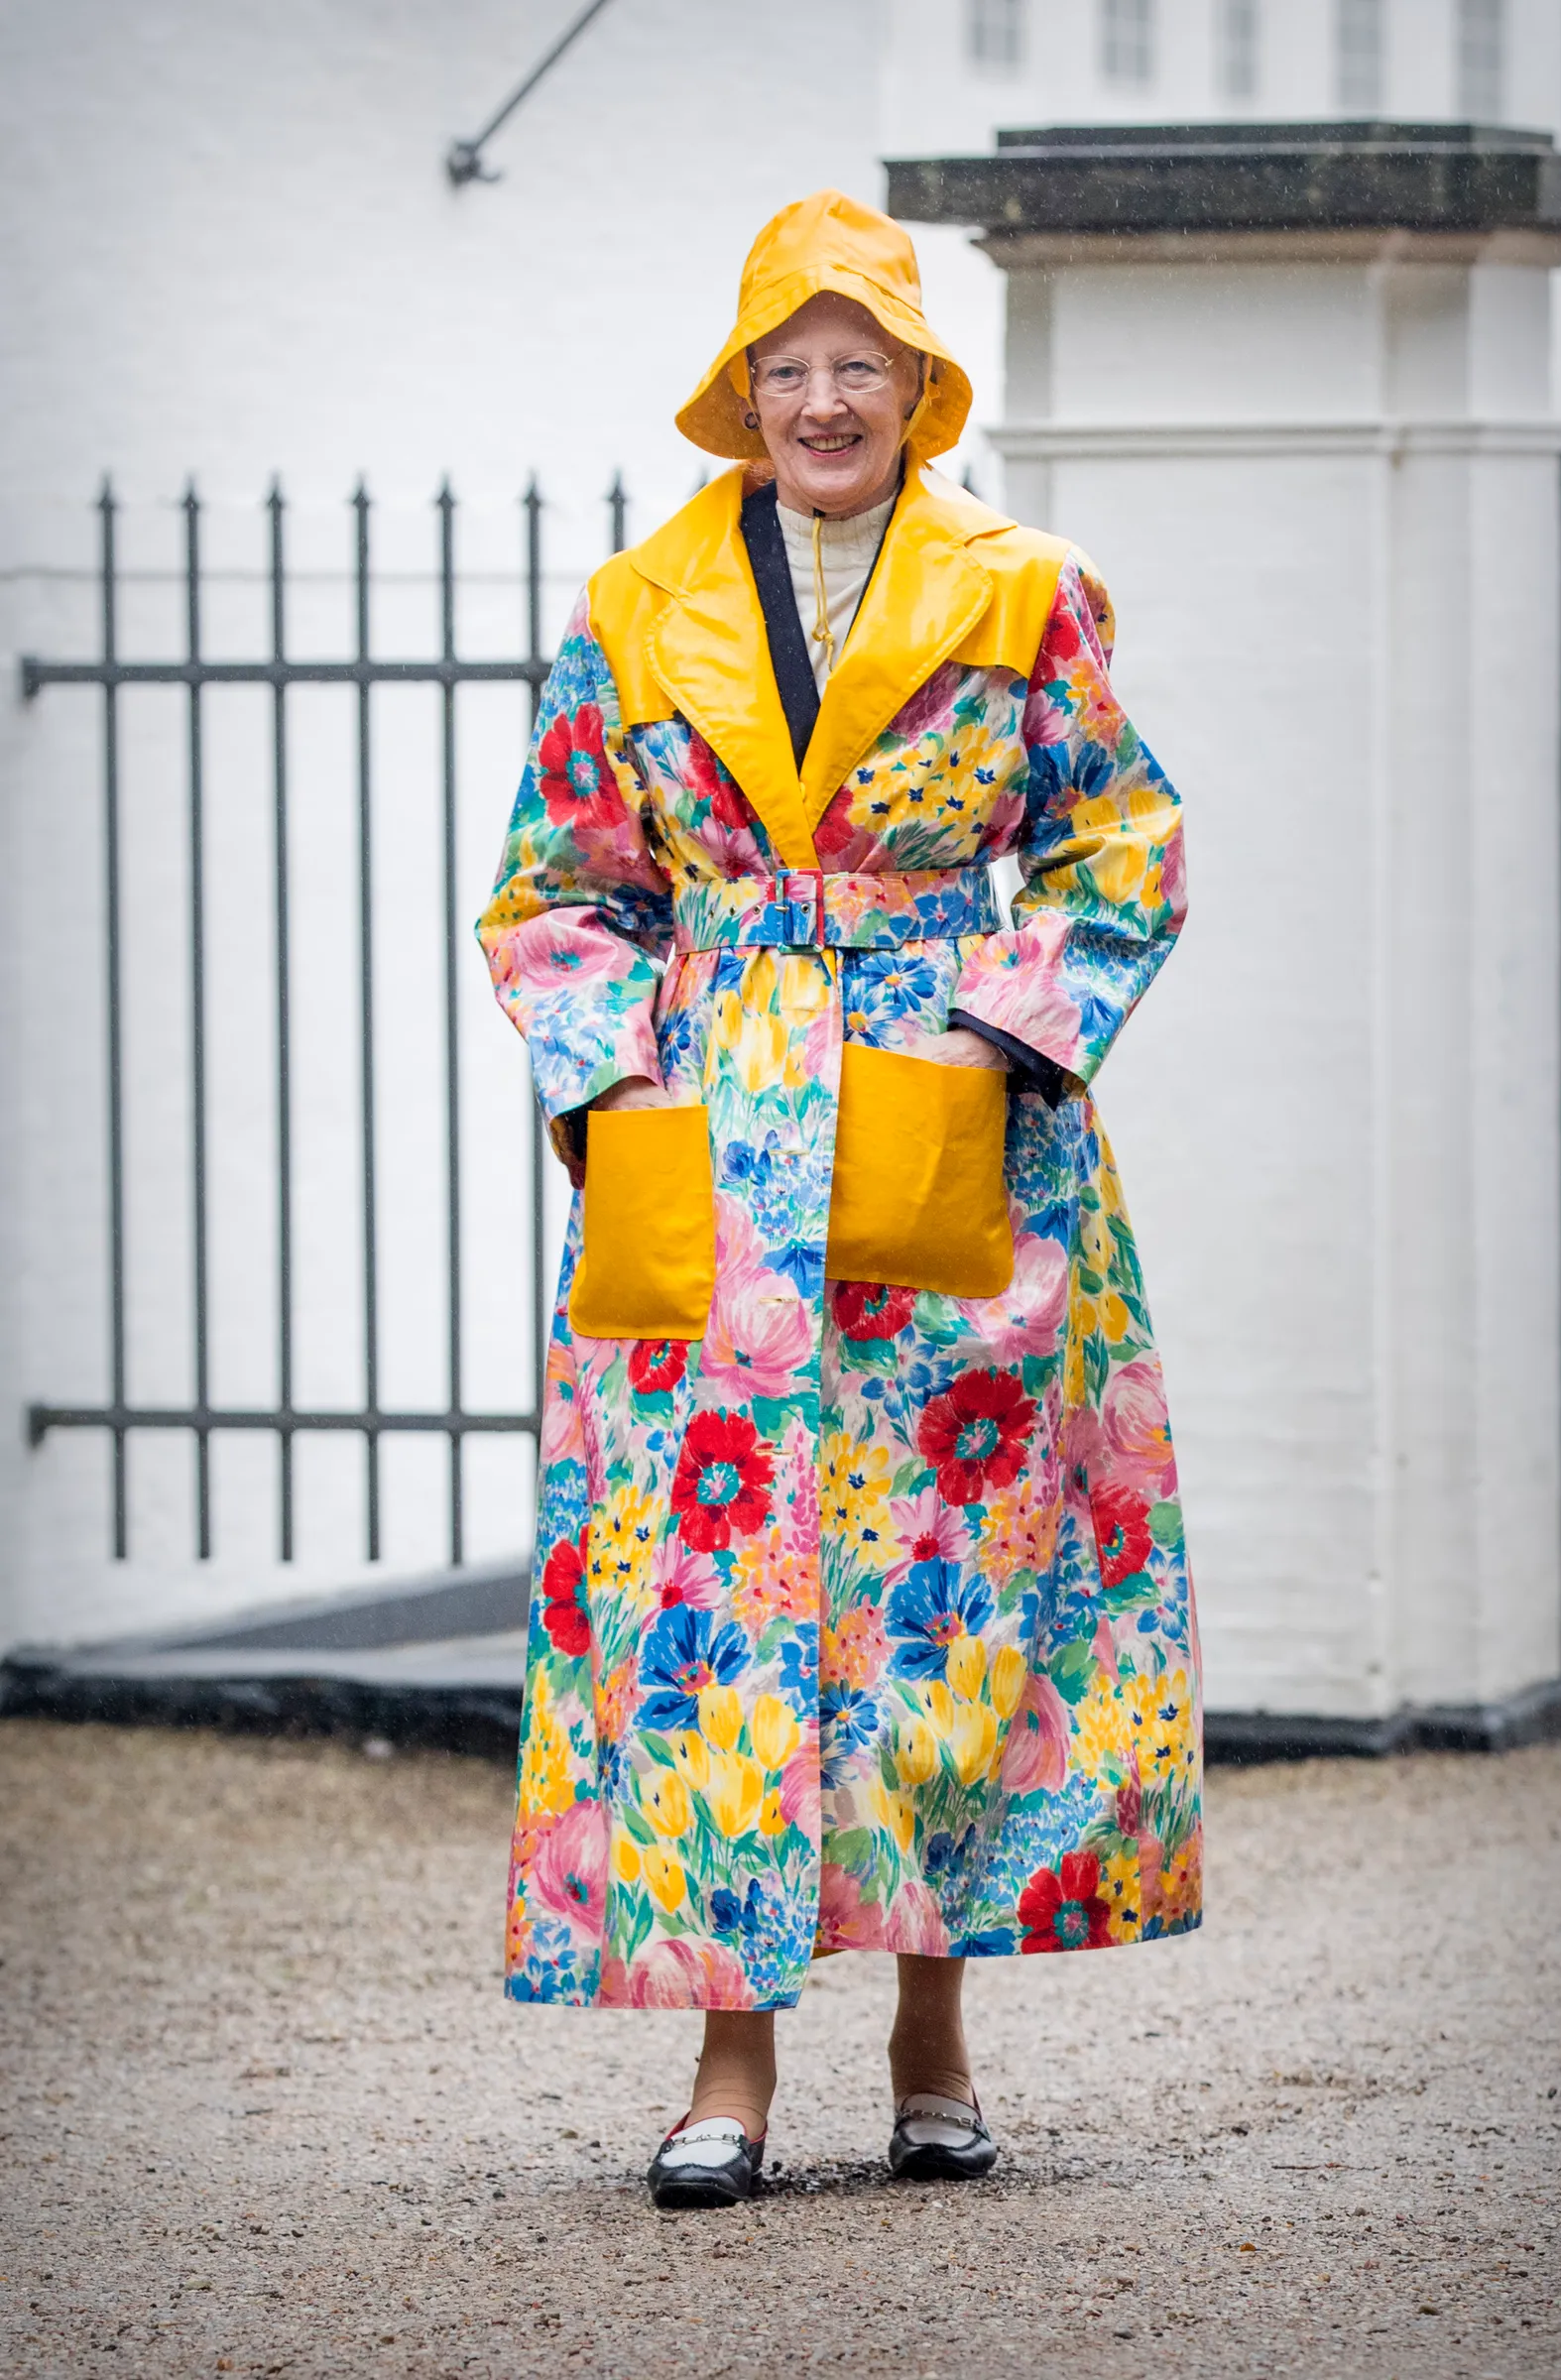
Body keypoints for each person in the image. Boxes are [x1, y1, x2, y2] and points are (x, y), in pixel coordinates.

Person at [477, 189, 1200, 2208]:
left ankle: (931, 2042)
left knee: (941, 1589)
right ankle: (727, 2067)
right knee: (710, 1602)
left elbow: (1122, 846)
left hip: (954, 1128)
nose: (820, 401)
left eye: (855, 366)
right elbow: (552, 886)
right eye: (785, 368)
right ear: (740, 394)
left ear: (914, 388)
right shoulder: (632, 609)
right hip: (708, 1141)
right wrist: (618, 1075)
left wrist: (993, 1036)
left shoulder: (1027, 591)